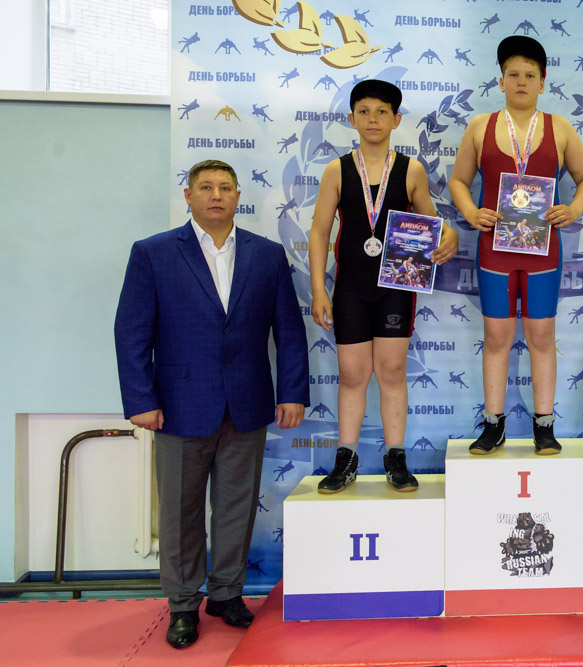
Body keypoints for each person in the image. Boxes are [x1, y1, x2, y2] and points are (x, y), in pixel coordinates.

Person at [113, 160, 310, 649]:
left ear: (239, 195)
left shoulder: (267, 256)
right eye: (205, 187)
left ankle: (226, 594)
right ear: (188, 195)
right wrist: (141, 399)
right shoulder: (154, 253)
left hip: (248, 403)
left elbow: (289, 331)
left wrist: (292, 391)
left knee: (236, 508)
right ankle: (183, 604)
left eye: (225, 187)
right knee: (180, 512)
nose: (216, 195)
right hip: (178, 406)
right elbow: (131, 332)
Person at [449, 35, 583, 456]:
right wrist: (471, 212)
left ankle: (544, 425)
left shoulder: (559, 127)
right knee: (496, 336)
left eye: (529, 75)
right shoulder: (480, 126)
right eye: (513, 74)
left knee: (541, 336)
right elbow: (458, 181)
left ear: (542, 82)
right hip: (494, 248)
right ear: (500, 81)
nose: (521, 81)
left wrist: (573, 208)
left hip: (542, 251)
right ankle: (493, 424)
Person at [309, 80, 458, 494]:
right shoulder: (336, 170)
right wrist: (319, 290)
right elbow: (319, 232)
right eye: (364, 111)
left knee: (391, 371)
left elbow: (431, 223)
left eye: (381, 112)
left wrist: (449, 236)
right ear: (352, 118)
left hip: (396, 287)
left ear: (396, 119)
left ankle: (396, 457)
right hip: (350, 288)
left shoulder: (411, 170)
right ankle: (346, 459)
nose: (372, 119)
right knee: (352, 374)